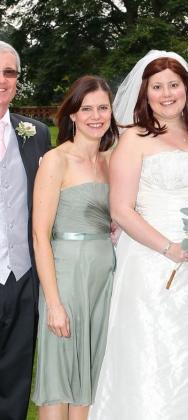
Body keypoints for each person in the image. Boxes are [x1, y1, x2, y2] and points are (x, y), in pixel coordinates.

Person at [89, 50, 188, 420]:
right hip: (151, 262)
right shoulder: (134, 139)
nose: (166, 93)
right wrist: (168, 247)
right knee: (152, 351)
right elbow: (121, 208)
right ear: (146, 93)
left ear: (187, 88)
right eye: (157, 87)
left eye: (174, 84)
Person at [31, 75, 118, 420]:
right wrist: (53, 303)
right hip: (66, 278)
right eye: (87, 109)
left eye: (103, 108)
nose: (96, 116)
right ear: (72, 115)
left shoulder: (110, 162)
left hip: (103, 279)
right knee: (60, 374)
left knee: (90, 375)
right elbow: (40, 235)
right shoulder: (57, 160)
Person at [0, 41, 51, 420]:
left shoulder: (35, 133)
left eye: (9, 72)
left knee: (16, 377)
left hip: (22, 277)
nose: (2, 80)